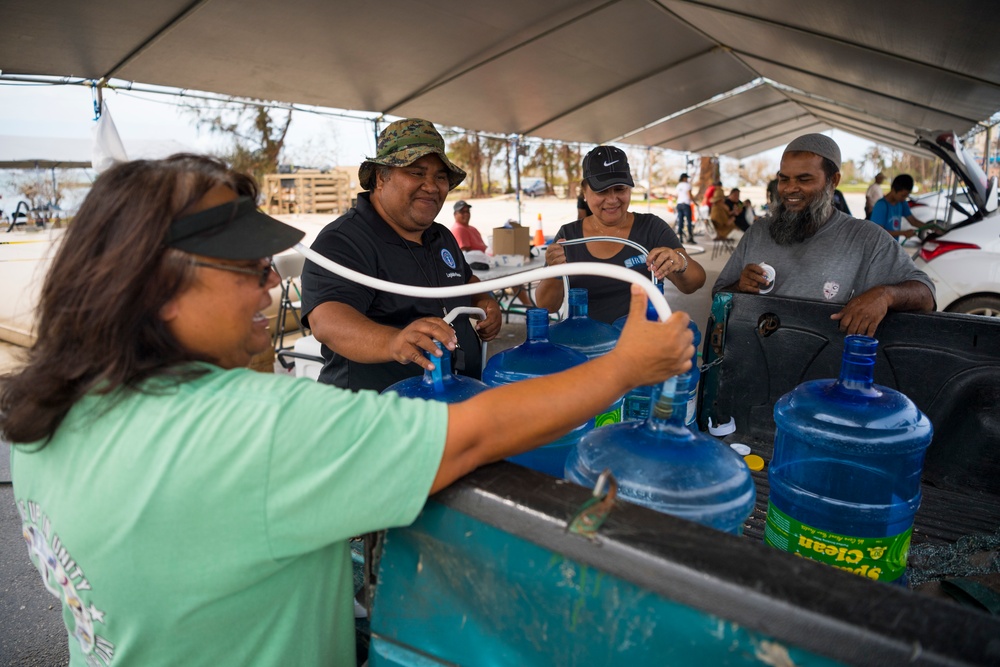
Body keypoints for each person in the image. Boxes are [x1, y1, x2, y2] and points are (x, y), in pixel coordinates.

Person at [2, 154, 694, 667]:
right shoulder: (254, 429)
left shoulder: (45, 415)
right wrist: (627, 367)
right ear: (157, 286)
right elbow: (478, 431)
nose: (271, 284)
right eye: (250, 270)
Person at [301, 119, 502, 392]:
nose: (431, 186)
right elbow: (327, 321)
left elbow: (466, 281)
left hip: (449, 402)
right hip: (378, 414)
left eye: (440, 177)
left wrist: (484, 302)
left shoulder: (440, 235)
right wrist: (395, 341)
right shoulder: (344, 240)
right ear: (381, 177)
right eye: (417, 173)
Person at [713, 133, 935, 336]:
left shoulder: (866, 238)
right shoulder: (758, 233)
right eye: (784, 179)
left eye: (804, 179)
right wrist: (739, 288)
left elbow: (926, 295)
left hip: (826, 372)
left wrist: (885, 295)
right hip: (756, 364)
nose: (790, 189)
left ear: (833, 181)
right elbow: (719, 295)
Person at [534, 146, 706, 324]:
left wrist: (680, 262)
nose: (612, 200)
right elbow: (546, 305)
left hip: (642, 341)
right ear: (584, 192)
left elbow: (694, 282)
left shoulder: (651, 228)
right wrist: (553, 272)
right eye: (602, 191)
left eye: (620, 189)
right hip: (586, 345)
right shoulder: (569, 236)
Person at [869, 174, 919, 241]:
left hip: (893, 246)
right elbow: (879, 232)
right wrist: (904, 233)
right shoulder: (881, 205)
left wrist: (932, 227)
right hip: (881, 247)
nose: (904, 198)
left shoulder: (902, 203)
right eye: (903, 195)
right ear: (893, 190)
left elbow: (913, 221)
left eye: (906, 196)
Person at [674, 172, 695, 243]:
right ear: (684, 178)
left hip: (679, 204)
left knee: (680, 221)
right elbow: (689, 195)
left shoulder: (678, 185)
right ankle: (690, 238)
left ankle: (680, 238)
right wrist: (694, 202)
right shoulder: (687, 185)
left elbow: (676, 196)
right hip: (686, 204)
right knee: (689, 221)